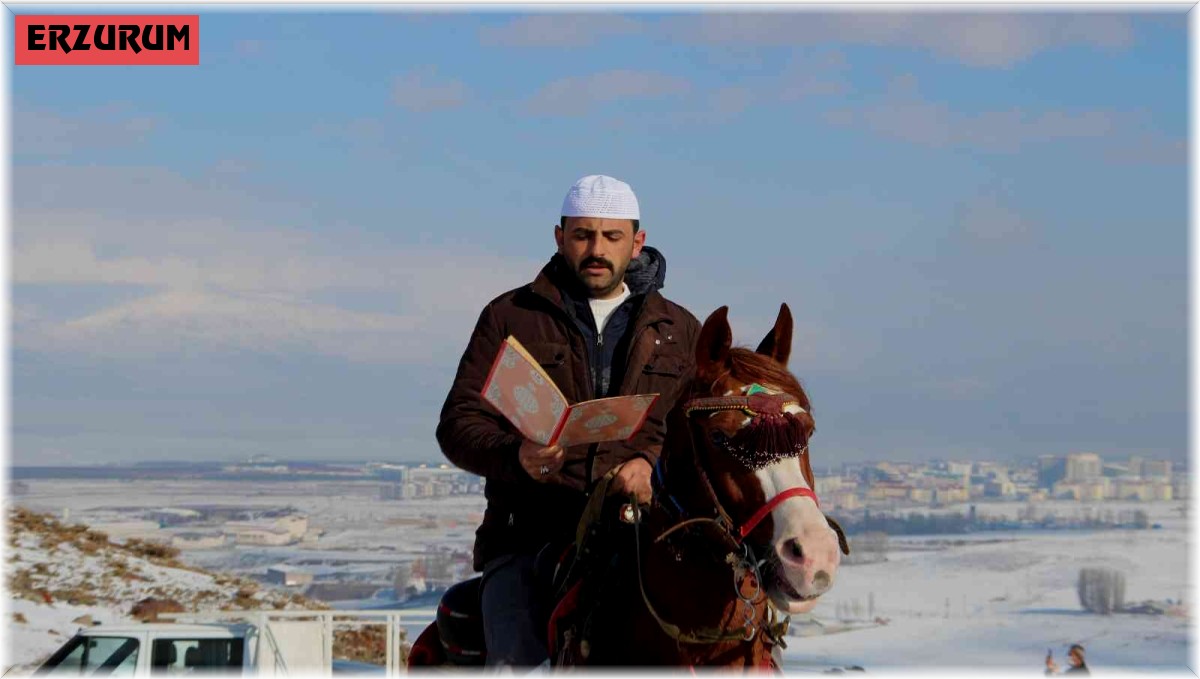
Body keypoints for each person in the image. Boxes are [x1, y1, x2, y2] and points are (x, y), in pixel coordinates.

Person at [437, 174, 701, 668]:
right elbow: (457, 423)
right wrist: (516, 457)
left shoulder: (680, 329)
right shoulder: (511, 316)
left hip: (642, 535)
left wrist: (650, 462)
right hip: (526, 537)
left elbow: (698, 435)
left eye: (611, 236)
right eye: (582, 235)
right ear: (560, 237)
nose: (596, 249)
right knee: (518, 663)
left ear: (637, 242)